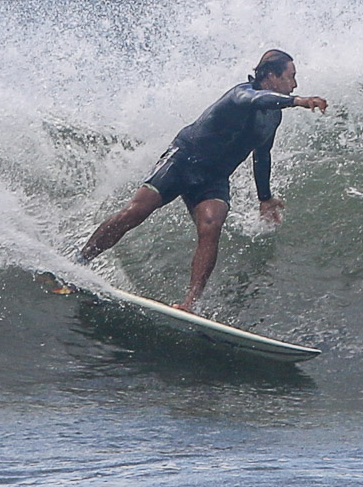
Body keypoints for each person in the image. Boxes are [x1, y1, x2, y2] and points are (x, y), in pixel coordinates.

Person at [77, 49, 328, 312]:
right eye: (290, 77)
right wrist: (297, 101)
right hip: (182, 160)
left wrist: (264, 198)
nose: (294, 84)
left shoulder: (273, 117)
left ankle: (189, 304)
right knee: (135, 212)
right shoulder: (240, 95)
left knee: (211, 226)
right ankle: (80, 262)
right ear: (270, 76)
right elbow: (255, 100)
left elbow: (262, 154)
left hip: (214, 178)